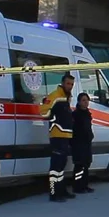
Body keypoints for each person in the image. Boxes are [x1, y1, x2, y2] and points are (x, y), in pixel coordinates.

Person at [41, 74, 76, 202]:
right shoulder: (55, 95)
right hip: (57, 135)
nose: (70, 86)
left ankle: (61, 190)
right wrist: (53, 118)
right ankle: (53, 193)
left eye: (72, 84)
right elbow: (44, 111)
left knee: (61, 166)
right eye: (68, 83)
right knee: (55, 166)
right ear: (62, 83)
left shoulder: (65, 97)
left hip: (66, 135)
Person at [71, 92, 95, 194]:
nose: (86, 102)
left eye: (87, 100)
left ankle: (84, 185)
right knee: (79, 165)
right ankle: (77, 186)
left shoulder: (87, 113)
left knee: (86, 164)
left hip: (86, 143)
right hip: (78, 143)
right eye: (83, 100)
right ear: (79, 102)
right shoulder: (76, 114)